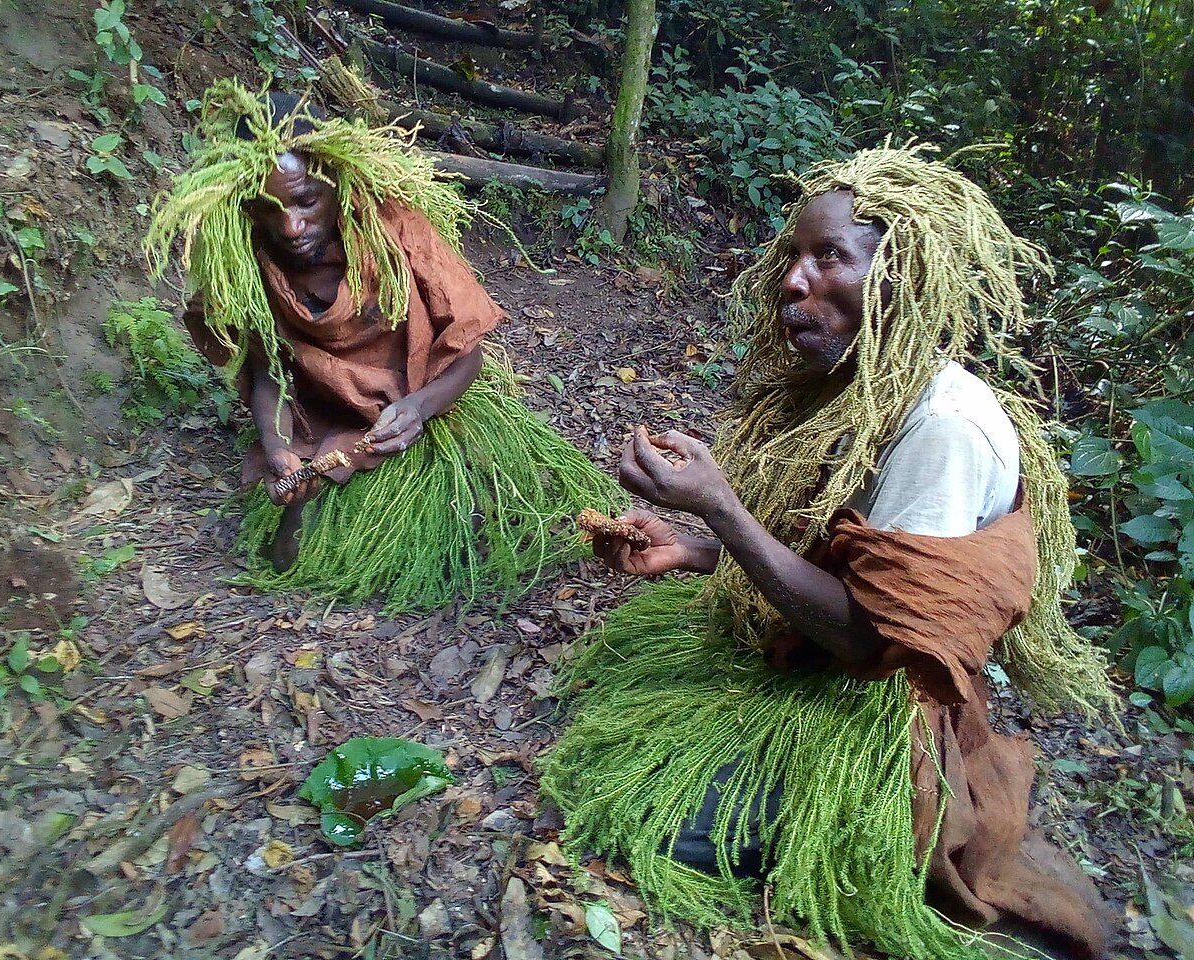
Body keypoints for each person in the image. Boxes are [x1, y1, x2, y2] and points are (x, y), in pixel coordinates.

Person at [541, 146, 1114, 959]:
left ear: (901, 275)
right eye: (792, 257)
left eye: (829, 256)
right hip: (832, 656)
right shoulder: (855, 386)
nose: (792, 281)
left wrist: (724, 510)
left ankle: (852, 827)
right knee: (614, 702)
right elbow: (827, 560)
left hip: (878, 705)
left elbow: (875, 643)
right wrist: (696, 546)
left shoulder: (942, 427)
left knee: (657, 818)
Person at [146, 79, 622, 613]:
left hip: (421, 408)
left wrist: (418, 408)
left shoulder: (392, 230)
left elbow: (468, 350)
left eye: (306, 201)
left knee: (472, 532)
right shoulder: (248, 264)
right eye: (267, 209)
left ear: (339, 184)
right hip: (323, 421)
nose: (292, 225)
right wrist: (276, 446)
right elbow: (267, 374)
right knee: (288, 554)